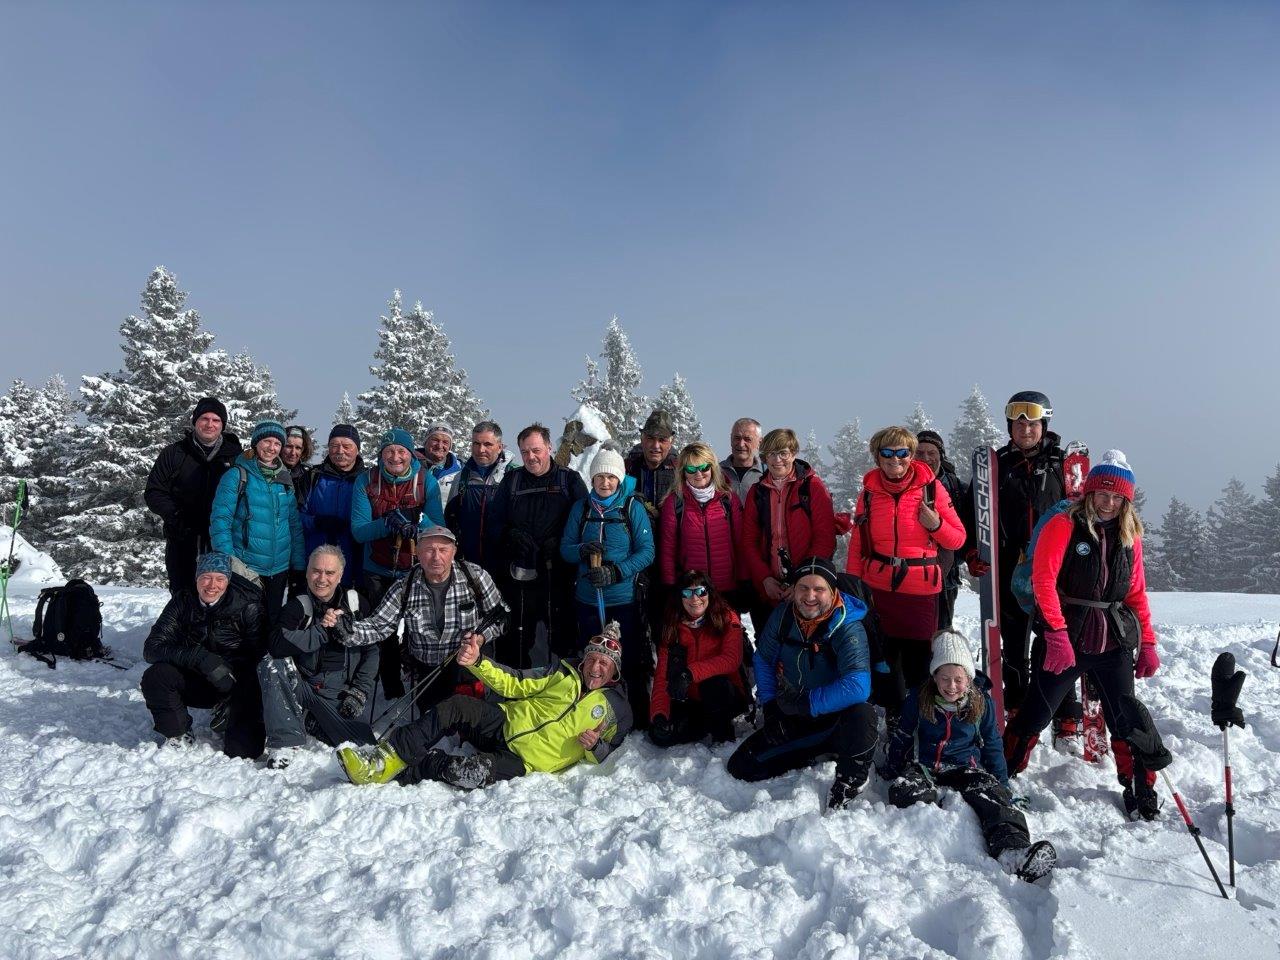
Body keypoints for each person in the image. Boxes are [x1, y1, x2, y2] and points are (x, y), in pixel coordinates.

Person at [1002, 451, 1163, 820]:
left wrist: (1149, 643)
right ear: (1090, 494)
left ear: (1126, 500)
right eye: (1103, 494)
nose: (1109, 502)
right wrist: (1056, 634)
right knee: (1036, 713)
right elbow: (1043, 581)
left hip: (1113, 640)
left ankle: (1140, 787)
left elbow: (1136, 593)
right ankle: (1002, 774)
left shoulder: (1129, 536)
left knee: (1125, 719)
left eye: (1117, 497)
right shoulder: (1064, 525)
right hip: (1067, 637)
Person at [337, 621, 632, 789]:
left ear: (614, 671)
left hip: (527, 762)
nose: (595, 667)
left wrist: (595, 746)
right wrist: (478, 662)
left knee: (469, 773)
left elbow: (608, 751)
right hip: (503, 722)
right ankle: (383, 759)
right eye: (592, 659)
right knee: (457, 705)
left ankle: (409, 769)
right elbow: (515, 682)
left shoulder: (615, 709)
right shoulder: (561, 672)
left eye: (603, 663)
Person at [881, 631, 1057, 882]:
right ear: (934, 677)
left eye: (958, 679)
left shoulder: (981, 703)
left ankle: (1013, 851)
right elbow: (904, 735)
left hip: (965, 768)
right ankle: (930, 835)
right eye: (945, 679)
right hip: (926, 766)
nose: (951, 686)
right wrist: (891, 767)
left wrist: (1002, 785)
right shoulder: (918, 699)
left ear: (968, 678)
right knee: (903, 791)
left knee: (992, 797)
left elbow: (993, 745)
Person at [726, 557, 878, 810]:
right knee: (742, 767)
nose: (810, 596)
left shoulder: (847, 626)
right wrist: (772, 705)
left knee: (863, 714)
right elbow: (763, 659)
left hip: (836, 717)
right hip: (796, 712)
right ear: (793, 590)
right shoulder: (784, 616)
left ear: (832, 591)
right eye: (803, 588)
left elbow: (857, 685)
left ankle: (851, 779)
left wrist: (807, 703)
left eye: (819, 589)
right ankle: (814, 749)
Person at [849, 426, 966, 717]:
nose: (895, 459)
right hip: (879, 589)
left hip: (920, 590)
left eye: (902, 452)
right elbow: (857, 543)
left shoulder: (931, 489)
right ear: (877, 457)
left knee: (920, 662)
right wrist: (852, 589)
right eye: (887, 453)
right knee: (886, 659)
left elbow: (958, 538)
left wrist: (936, 524)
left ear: (911, 455)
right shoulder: (868, 493)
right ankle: (895, 718)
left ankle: (922, 717)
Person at [968, 391, 1069, 721]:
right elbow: (973, 513)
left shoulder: (1062, 465)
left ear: (1045, 424)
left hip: (1054, 566)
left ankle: (1062, 707)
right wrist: (973, 550)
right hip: (1010, 565)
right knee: (1013, 641)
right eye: (1018, 423)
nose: (1025, 429)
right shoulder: (997, 466)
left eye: (1033, 423)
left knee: (1056, 637)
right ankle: (1015, 704)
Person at [338, 525, 508, 713]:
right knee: (433, 719)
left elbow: (500, 618)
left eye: (443, 550)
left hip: (468, 665)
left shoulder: (476, 577)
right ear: (417, 552)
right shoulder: (405, 587)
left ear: (454, 552)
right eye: (428, 550)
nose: (436, 557)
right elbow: (379, 626)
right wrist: (348, 631)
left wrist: (481, 638)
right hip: (429, 670)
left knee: (471, 718)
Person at [560, 445, 655, 727]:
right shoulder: (582, 508)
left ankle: (637, 714)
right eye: (600, 476)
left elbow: (647, 551)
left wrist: (616, 572)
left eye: (611, 477)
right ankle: (591, 714)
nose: (605, 482)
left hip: (622, 599)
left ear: (619, 479)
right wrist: (581, 550)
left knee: (630, 658)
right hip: (588, 598)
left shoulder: (631, 507)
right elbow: (565, 549)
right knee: (591, 659)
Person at [257, 545, 377, 767]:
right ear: (307, 572)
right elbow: (276, 645)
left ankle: (315, 722)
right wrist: (322, 631)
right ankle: (284, 742)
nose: (322, 579)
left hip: (338, 691)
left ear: (341, 575)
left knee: (364, 746)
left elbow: (372, 650)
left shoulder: (356, 604)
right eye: (316, 571)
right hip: (301, 685)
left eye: (330, 573)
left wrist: (359, 692)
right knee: (272, 663)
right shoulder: (298, 606)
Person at [140, 552, 266, 758]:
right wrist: (200, 658)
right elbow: (152, 647)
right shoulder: (183, 601)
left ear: (228, 581)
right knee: (157, 675)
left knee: (244, 752)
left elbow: (260, 655)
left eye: (220, 579)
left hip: (237, 683)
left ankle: (232, 713)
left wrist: (236, 688)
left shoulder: (248, 606)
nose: (212, 585)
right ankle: (177, 733)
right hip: (198, 677)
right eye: (206, 577)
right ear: (197, 578)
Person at [350, 427, 445, 698]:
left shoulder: (425, 481)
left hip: (415, 568)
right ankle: (391, 687)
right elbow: (359, 530)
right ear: (381, 454)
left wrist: (417, 522)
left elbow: (439, 528)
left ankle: (422, 684)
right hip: (377, 568)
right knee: (384, 632)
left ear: (410, 453)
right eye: (389, 451)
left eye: (401, 451)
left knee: (421, 629)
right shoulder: (366, 481)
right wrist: (388, 523)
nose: (395, 456)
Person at [492, 423, 588, 667]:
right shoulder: (512, 481)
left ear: (549, 447)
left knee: (563, 638)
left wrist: (561, 541)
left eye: (536, 450)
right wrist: (510, 536)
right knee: (517, 639)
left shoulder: (569, 480)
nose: (530, 457)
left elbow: (585, 522)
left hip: (558, 574)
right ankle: (514, 695)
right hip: (520, 576)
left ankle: (565, 690)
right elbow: (495, 522)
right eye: (525, 452)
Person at [739, 427, 837, 638]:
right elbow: (748, 541)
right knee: (768, 645)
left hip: (806, 590)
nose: (777, 460)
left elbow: (824, 538)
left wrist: (801, 582)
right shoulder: (757, 493)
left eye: (783, 453)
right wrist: (764, 579)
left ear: (793, 453)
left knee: (803, 648)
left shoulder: (812, 487)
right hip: (768, 589)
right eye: (771, 454)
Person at [209, 420, 305, 626]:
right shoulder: (237, 475)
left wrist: (298, 565)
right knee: (244, 621)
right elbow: (220, 521)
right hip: (247, 567)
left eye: (277, 444)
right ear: (256, 443)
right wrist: (230, 561)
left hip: (278, 568)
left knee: (271, 619)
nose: (272, 448)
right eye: (267, 441)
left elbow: (293, 525)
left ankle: (267, 656)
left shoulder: (284, 478)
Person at [145, 397, 244, 595]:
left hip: (221, 538)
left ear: (222, 425)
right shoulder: (174, 453)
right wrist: (175, 515)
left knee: (219, 591)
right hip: (182, 536)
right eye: (204, 419)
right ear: (195, 421)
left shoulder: (235, 456)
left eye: (216, 420)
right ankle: (182, 626)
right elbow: (154, 491)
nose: (210, 424)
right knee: (183, 591)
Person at [649, 572, 746, 747]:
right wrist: (659, 715)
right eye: (687, 593)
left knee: (713, 685)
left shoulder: (726, 617)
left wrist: (689, 673)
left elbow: (732, 659)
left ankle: (723, 737)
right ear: (680, 597)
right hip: (690, 700)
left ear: (709, 593)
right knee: (662, 735)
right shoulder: (672, 627)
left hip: (724, 694)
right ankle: (702, 724)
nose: (695, 598)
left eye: (701, 591)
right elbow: (662, 676)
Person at [658, 441, 742, 597]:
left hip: (726, 587)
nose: (699, 474)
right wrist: (669, 584)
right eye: (691, 469)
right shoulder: (675, 502)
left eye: (704, 467)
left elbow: (740, 543)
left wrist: (744, 580)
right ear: (683, 471)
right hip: (692, 591)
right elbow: (668, 548)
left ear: (712, 468)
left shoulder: (728, 499)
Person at [445, 420, 515, 577]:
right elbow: (450, 521)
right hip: (468, 566)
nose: (481, 449)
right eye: (476, 443)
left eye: (487, 444)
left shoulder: (513, 476)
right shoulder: (461, 478)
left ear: (500, 446)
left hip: (504, 566)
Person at [298, 424, 365, 588]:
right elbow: (295, 516)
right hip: (316, 562)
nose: (340, 451)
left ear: (357, 449)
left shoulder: (367, 480)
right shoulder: (313, 477)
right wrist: (316, 522)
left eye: (346, 446)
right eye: (334, 446)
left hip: (354, 562)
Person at [914, 430, 969, 630]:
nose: (926, 458)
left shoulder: (957, 488)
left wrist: (966, 556)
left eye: (932, 453)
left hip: (946, 578)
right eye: (919, 453)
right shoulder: (903, 485)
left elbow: (967, 530)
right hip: (909, 574)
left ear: (941, 456)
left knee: (941, 631)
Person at [626, 409, 679, 515]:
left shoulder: (681, 471)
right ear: (642, 438)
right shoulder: (627, 468)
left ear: (671, 442)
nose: (656, 446)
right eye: (650, 438)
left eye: (662, 440)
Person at [720, 417, 764, 506]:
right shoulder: (716, 472)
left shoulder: (767, 474)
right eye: (737, 438)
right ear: (731, 439)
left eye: (747, 439)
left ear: (760, 442)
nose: (741, 444)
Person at [418, 422, 463, 506]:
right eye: (435, 440)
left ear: (450, 446)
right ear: (425, 441)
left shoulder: (460, 472)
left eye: (445, 442)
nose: (440, 446)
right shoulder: (409, 465)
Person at [282, 425, 314, 504]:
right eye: (289, 446)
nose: (293, 453)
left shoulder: (310, 475)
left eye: (298, 448)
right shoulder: (267, 471)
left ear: (303, 450)